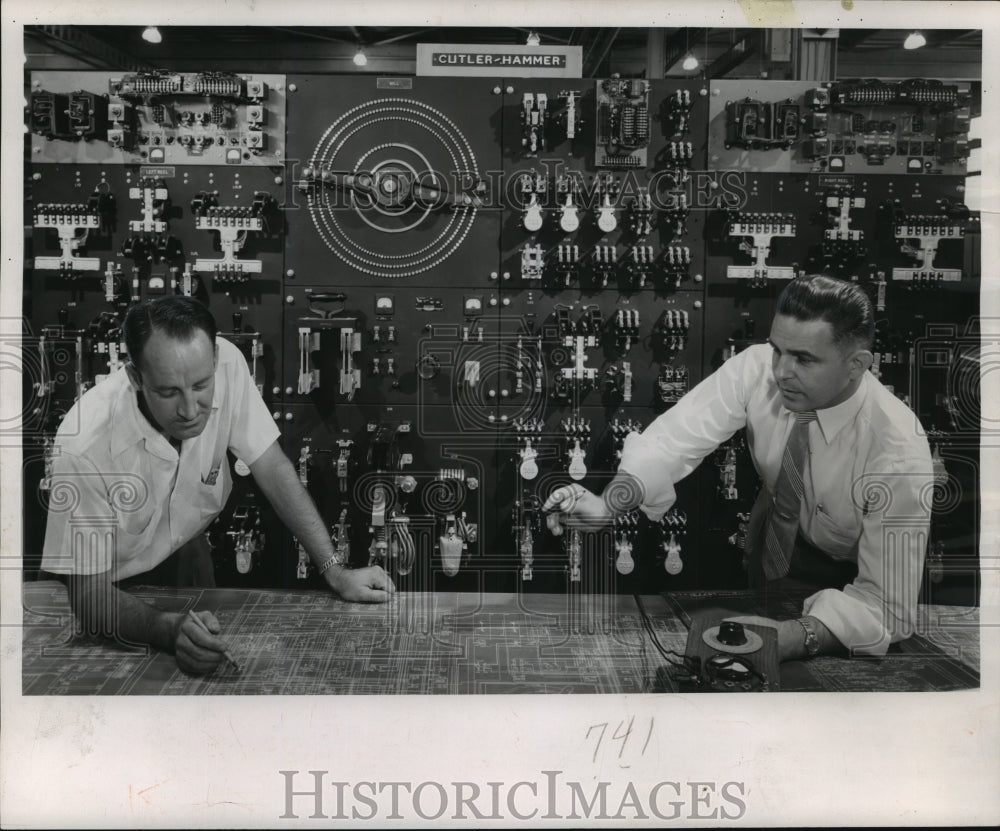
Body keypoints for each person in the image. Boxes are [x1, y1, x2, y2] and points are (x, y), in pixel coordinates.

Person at [544, 274, 933, 662]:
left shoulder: (897, 453)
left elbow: (887, 608)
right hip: (774, 543)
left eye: (804, 358)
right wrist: (606, 505)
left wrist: (795, 637)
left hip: (849, 574)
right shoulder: (757, 369)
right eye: (778, 349)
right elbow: (674, 440)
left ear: (857, 365)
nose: (781, 371)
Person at [40, 296, 394, 675]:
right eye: (168, 392)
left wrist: (335, 571)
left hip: (186, 551)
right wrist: (167, 628)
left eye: (201, 385)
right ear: (135, 378)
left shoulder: (227, 362)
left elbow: (271, 466)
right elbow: (87, 594)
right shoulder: (84, 445)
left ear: (213, 361)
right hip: (106, 590)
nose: (190, 409)